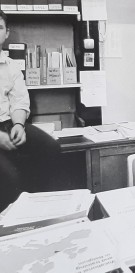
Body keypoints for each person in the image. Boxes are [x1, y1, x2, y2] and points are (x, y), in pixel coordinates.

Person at [0, 10, 60, 211]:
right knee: (10, 177)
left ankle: (40, 213)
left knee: (50, 148)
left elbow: (19, 100)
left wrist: (18, 124)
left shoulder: (10, 66)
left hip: (7, 124)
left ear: (7, 32)